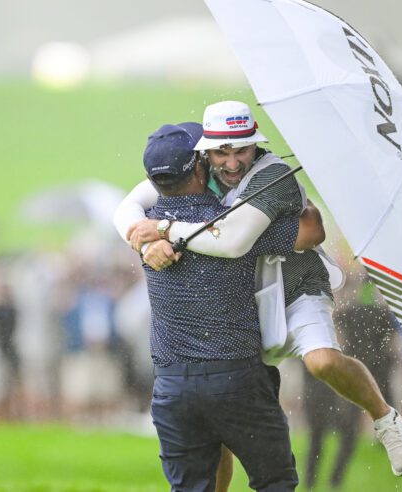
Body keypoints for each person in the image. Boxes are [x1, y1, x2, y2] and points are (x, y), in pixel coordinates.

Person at [113, 100, 402, 484]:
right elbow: (127, 207)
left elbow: (242, 240)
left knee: (321, 362)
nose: (232, 163)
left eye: (242, 150)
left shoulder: (273, 175)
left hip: (295, 286)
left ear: (255, 144)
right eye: (222, 152)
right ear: (204, 153)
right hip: (245, 294)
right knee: (220, 422)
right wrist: (144, 241)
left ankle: (386, 420)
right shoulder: (201, 168)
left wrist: (163, 230)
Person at [132, 121, 325, 491]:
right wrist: (299, 199)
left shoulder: (144, 229)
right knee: (275, 482)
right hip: (238, 379)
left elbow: (133, 215)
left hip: (172, 385)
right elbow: (312, 232)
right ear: (200, 166)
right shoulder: (231, 221)